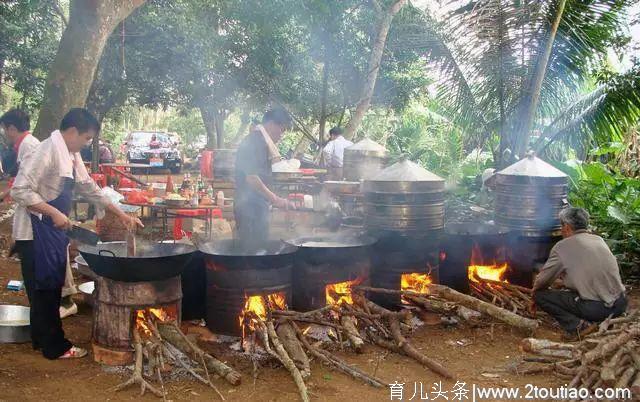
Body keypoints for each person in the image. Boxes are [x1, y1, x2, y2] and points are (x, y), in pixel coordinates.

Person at [11, 108, 143, 359]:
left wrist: (122, 214)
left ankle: (41, 339)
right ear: (72, 132)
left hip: (51, 230)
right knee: (45, 289)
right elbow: (20, 191)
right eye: (87, 138)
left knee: (47, 287)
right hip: (34, 231)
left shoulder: (70, 154)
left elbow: (90, 189)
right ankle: (55, 346)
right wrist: (52, 212)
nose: (88, 143)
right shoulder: (46, 151)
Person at [533, 207, 627, 339]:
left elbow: (542, 281)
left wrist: (534, 293)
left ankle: (577, 326)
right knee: (572, 293)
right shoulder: (598, 240)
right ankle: (602, 321)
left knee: (540, 296)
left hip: (597, 309)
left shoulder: (562, 246)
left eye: (561, 226)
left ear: (566, 227)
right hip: (620, 304)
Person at [234, 108, 296, 251]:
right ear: (272, 124)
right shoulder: (254, 142)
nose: (281, 135)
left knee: (259, 250)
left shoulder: (261, 142)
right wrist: (275, 199)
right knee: (252, 252)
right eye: (282, 129)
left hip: (256, 206)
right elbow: (252, 178)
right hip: (249, 207)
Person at [0, 109, 40, 201]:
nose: (3, 134)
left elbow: (26, 184)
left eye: (3, 129)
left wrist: (2, 197)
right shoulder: (24, 143)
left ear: (12, 129)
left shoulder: (28, 146)